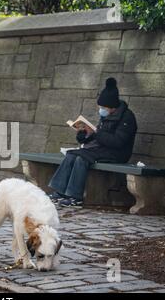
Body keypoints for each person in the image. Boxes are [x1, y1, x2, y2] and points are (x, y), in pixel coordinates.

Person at [48, 77, 137, 207]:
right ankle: (59, 191)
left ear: (112, 107)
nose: (101, 109)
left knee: (81, 158)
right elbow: (98, 135)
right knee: (72, 154)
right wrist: (83, 133)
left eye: (103, 107)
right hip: (101, 149)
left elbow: (118, 141)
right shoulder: (105, 116)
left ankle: (75, 196)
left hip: (117, 153)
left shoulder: (127, 117)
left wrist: (96, 133)